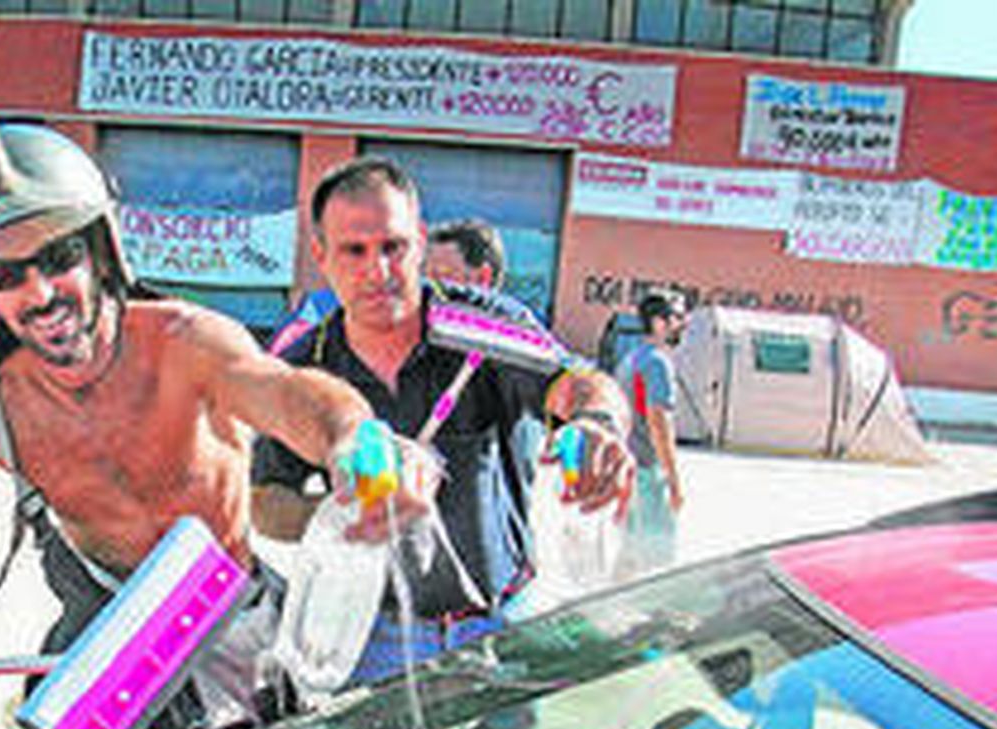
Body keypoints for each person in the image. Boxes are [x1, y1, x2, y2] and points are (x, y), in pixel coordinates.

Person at [0, 120, 435, 729]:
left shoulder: (189, 345)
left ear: (100, 252)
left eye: (58, 256)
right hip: (106, 658)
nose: (40, 293)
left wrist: (352, 440)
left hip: (242, 649)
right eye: (5, 276)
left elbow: (290, 395)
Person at [251, 156, 634, 685]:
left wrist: (599, 427)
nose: (377, 271)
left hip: (500, 627)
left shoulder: (485, 327)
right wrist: (337, 511)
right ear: (321, 255)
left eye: (394, 247)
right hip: (372, 637)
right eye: (354, 251)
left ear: (421, 241)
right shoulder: (303, 368)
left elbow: (579, 382)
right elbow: (265, 502)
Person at [614, 289, 687, 578]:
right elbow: (659, 422)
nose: (682, 323)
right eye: (677, 317)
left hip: (628, 468)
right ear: (659, 322)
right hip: (647, 470)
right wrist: (673, 480)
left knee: (629, 553)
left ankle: (606, 610)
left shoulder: (630, 359)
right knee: (656, 563)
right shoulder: (657, 363)